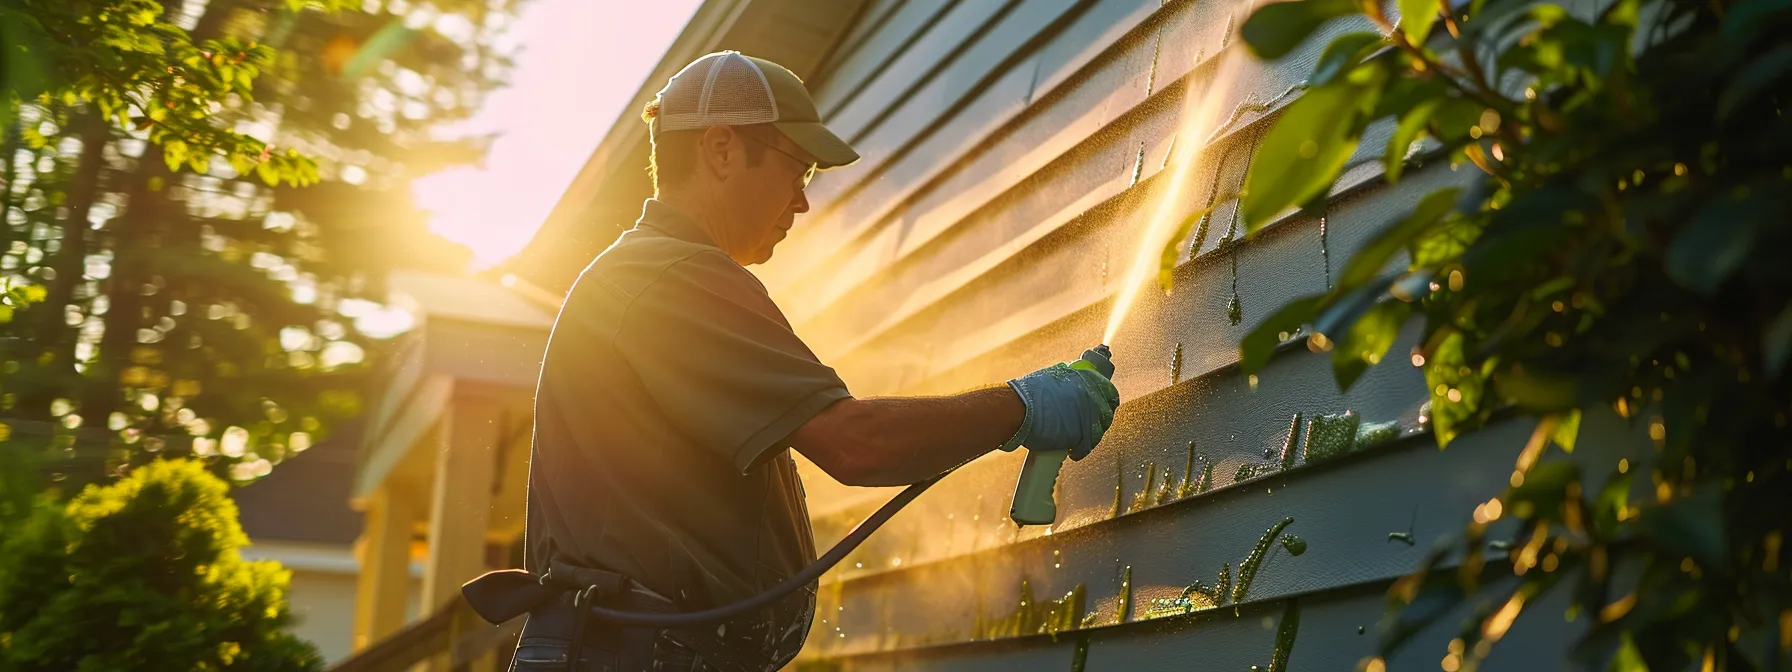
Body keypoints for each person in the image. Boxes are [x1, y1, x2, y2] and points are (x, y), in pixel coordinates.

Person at [509, 51, 1121, 672]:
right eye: (795, 170)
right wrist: (1022, 405)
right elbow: (856, 446)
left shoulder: (644, 274)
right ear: (721, 151)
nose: (802, 203)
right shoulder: (673, 278)